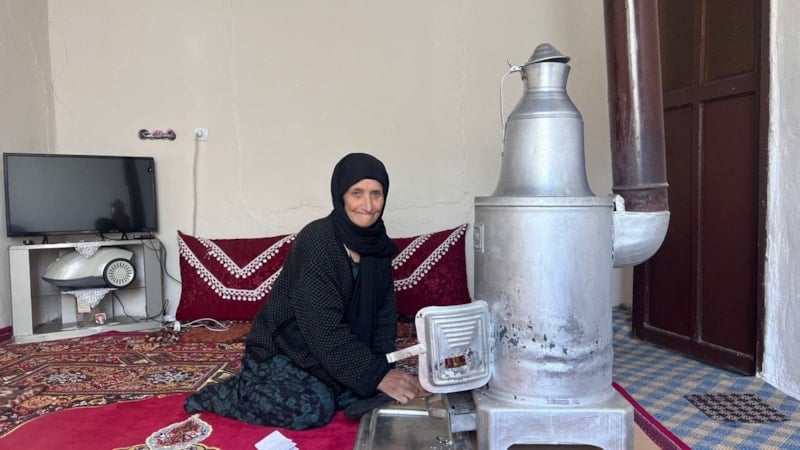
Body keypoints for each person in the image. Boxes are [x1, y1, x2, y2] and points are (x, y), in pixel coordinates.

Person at [184, 152, 426, 430]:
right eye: (357, 193)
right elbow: (321, 328)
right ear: (341, 195)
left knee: (364, 392)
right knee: (312, 410)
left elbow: (383, 315)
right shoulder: (318, 241)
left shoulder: (378, 245)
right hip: (288, 349)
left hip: (332, 350)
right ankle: (232, 391)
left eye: (376, 194)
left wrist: (384, 370)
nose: (368, 206)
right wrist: (375, 376)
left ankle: (346, 379)